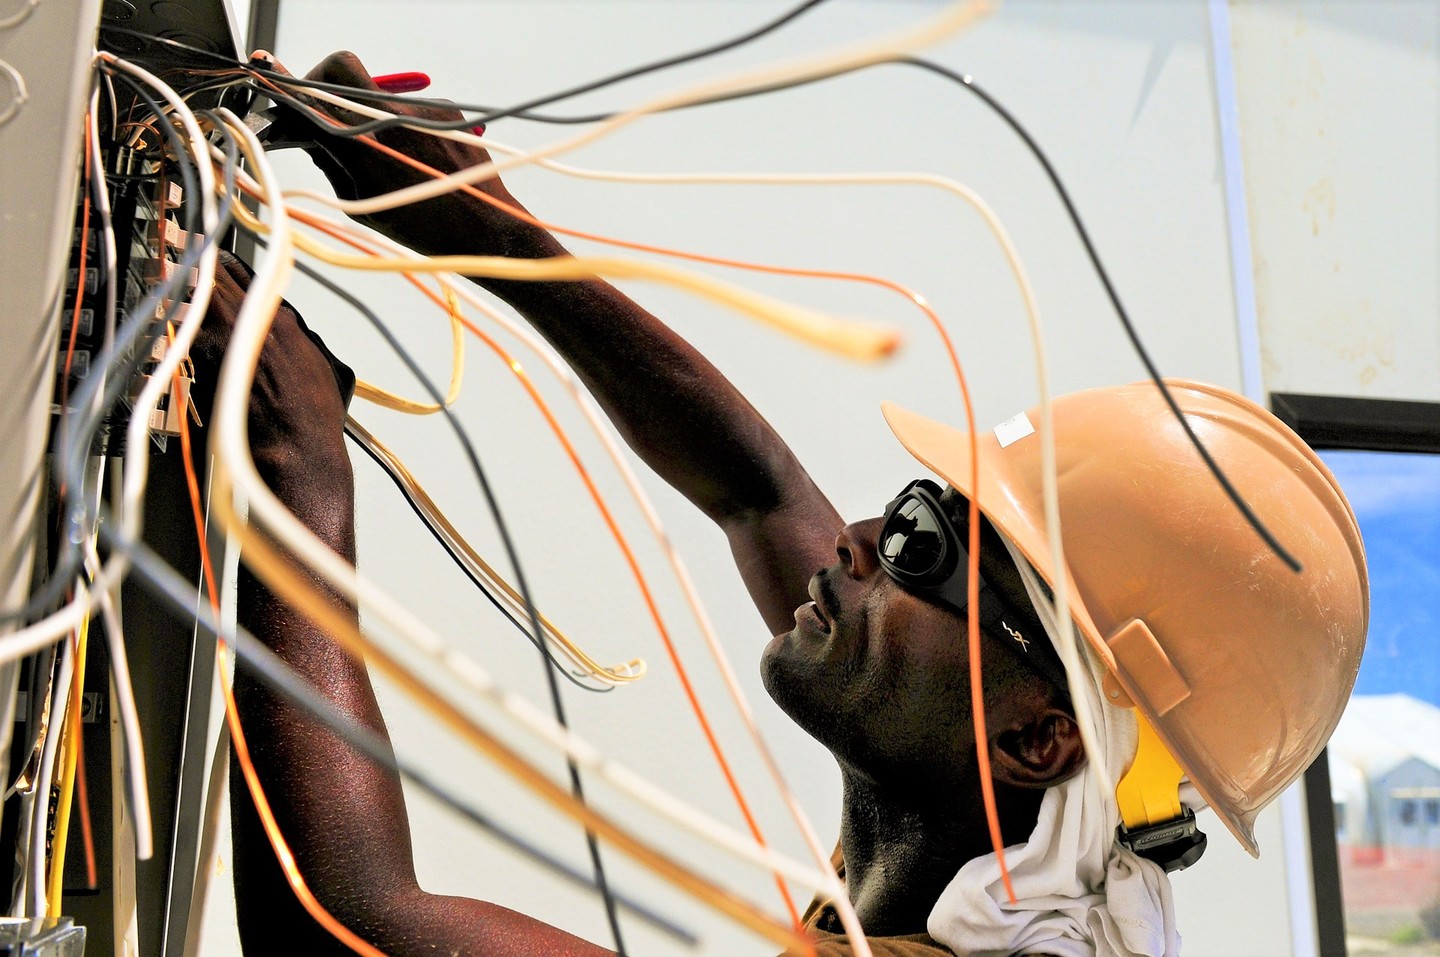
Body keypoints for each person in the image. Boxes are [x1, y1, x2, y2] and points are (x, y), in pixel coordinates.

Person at [200, 51, 1368, 957]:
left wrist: (295, 470)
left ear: (1032, 736)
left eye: (921, 548)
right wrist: (496, 234)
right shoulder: (990, 858)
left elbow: (345, 926)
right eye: (914, 505)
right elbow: (757, 492)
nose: (860, 539)